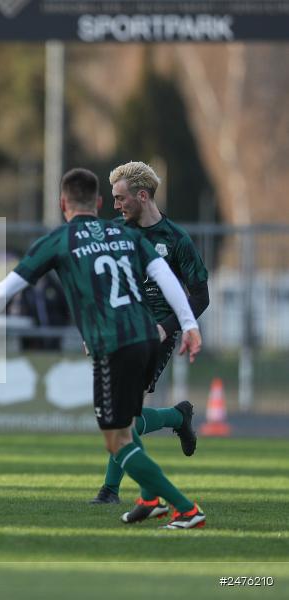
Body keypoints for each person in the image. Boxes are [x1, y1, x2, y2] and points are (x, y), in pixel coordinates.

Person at [0, 168, 206, 529]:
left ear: (63, 204)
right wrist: (189, 325)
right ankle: (151, 496)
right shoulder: (125, 236)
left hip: (115, 343)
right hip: (144, 338)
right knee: (127, 425)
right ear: (100, 202)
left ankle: (185, 509)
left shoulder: (61, 240)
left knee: (117, 438)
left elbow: (4, 290)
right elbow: (166, 278)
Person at [87, 161, 210, 505]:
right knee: (126, 415)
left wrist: (166, 328)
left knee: (122, 414)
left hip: (154, 336)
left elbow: (201, 295)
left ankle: (110, 490)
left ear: (142, 196)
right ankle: (177, 416)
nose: (116, 205)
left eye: (120, 197)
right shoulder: (112, 233)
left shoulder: (176, 240)